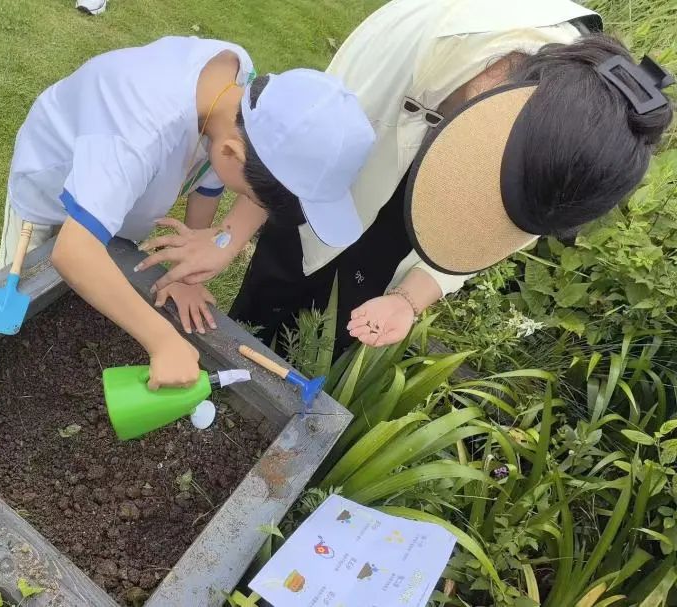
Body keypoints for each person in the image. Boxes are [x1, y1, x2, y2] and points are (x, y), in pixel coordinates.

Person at [136, 0, 675, 357]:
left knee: (356, 300)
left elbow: (485, 239)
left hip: (426, 185)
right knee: (284, 265)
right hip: (343, 151)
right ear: (489, 103)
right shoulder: (419, 42)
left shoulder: (572, 148)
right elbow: (290, 151)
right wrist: (229, 238)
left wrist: (408, 301)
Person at [0, 36, 376, 389]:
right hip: (49, 186)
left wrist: (188, 269)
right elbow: (73, 252)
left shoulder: (233, 89)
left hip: (117, 189)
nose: (250, 203)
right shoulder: (138, 135)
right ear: (233, 153)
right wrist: (163, 341)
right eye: (251, 194)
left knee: (98, 266)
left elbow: (210, 173)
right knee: (24, 279)